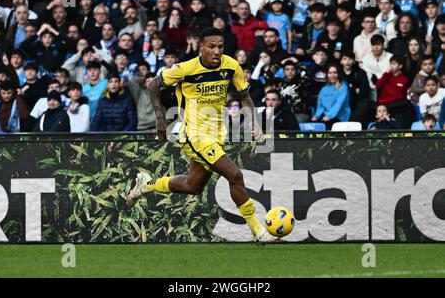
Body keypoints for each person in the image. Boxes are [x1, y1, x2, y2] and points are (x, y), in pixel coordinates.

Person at [126, 27, 278, 242]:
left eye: (220, 47)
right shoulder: (186, 68)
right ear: (201, 48)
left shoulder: (231, 65)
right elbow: (153, 85)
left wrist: (255, 123)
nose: (217, 51)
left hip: (217, 134)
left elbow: (245, 96)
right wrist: (160, 117)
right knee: (235, 175)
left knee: (192, 186)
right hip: (194, 134)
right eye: (212, 47)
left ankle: (146, 185)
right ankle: (259, 231)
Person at [375, 55, 416, 128]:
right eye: (391, 64)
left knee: (407, 105)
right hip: (384, 103)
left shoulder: (404, 79)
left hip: (396, 104)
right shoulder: (386, 75)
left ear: (400, 66)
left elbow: (402, 95)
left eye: (394, 64)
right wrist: (386, 74)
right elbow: (378, 86)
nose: (391, 66)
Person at [311, 63, 351, 129]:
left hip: (340, 116)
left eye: (335, 72)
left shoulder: (343, 87)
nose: (332, 75)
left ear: (339, 74)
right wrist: (316, 116)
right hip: (326, 116)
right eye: (330, 73)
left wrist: (329, 116)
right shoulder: (324, 89)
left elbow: (339, 104)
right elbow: (320, 106)